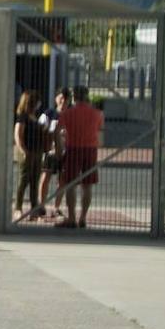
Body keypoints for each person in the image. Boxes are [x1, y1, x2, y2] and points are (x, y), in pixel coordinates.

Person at [56, 85, 104, 229]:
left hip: (73, 149)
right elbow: (101, 139)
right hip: (90, 150)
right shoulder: (98, 114)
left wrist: (59, 149)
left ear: (74, 97)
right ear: (87, 96)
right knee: (87, 185)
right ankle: (83, 217)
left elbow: (56, 132)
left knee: (70, 185)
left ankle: (71, 217)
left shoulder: (67, 113)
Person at [37, 87, 71, 218]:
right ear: (56, 98)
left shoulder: (70, 115)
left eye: (66, 98)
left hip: (66, 152)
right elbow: (40, 128)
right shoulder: (49, 113)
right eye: (61, 97)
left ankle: (56, 207)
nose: (63, 100)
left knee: (62, 180)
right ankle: (41, 205)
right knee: (45, 178)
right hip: (50, 152)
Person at [13, 90, 46, 219]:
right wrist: (23, 150)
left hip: (37, 151)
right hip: (26, 151)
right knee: (23, 179)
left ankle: (34, 209)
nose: (39, 104)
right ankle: (18, 207)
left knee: (35, 180)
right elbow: (18, 134)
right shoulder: (22, 116)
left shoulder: (35, 116)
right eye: (37, 101)